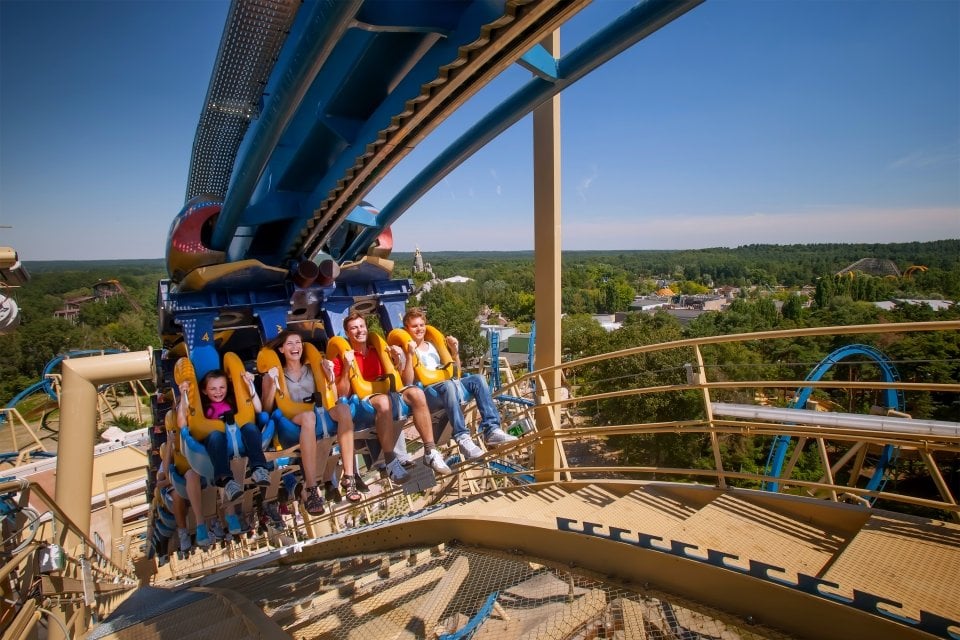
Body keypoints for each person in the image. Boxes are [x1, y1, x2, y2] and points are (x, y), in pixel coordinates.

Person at [332, 311, 451, 481]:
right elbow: (341, 393)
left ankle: (430, 451)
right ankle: (390, 460)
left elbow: (404, 380)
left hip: (388, 392)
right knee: (383, 401)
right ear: (347, 333)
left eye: (361, 326)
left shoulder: (379, 351)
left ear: (366, 328)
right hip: (362, 401)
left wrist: (399, 359)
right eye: (354, 328)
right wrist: (346, 366)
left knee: (416, 393)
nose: (359, 331)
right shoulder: (342, 357)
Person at [262, 330, 361, 515]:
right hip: (293, 423)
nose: (295, 347)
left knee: (344, 409)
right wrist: (270, 384)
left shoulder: (312, 369)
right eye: (290, 344)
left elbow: (331, 394)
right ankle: (311, 488)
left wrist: (329, 375)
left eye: (298, 342)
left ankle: (349, 476)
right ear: (281, 349)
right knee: (309, 417)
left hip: (319, 414)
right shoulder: (277, 373)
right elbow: (266, 409)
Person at [400, 308, 517, 455]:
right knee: (448, 385)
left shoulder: (433, 346)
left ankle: (491, 429)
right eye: (414, 326)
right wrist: (410, 355)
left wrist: (454, 351)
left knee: (478, 379)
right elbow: (408, 382)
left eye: (421, 325)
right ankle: (462, 436)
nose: (419, 329)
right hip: (428, 392)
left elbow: (456, 371)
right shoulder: (406, 349)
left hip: (446, 385)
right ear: (407, 329)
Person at [179, 369, 271, 505]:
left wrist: (249, 385)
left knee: (250, 428)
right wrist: (183, 396)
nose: (218, 392)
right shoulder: (202, 409)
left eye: (222, 387)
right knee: (215, 436)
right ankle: (226, 480)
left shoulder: (234, 402)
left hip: (240, 440)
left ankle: (259, 468)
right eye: (213, 389)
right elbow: (182, 424)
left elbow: (258, 409)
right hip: (219, 446)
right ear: (204, 391)